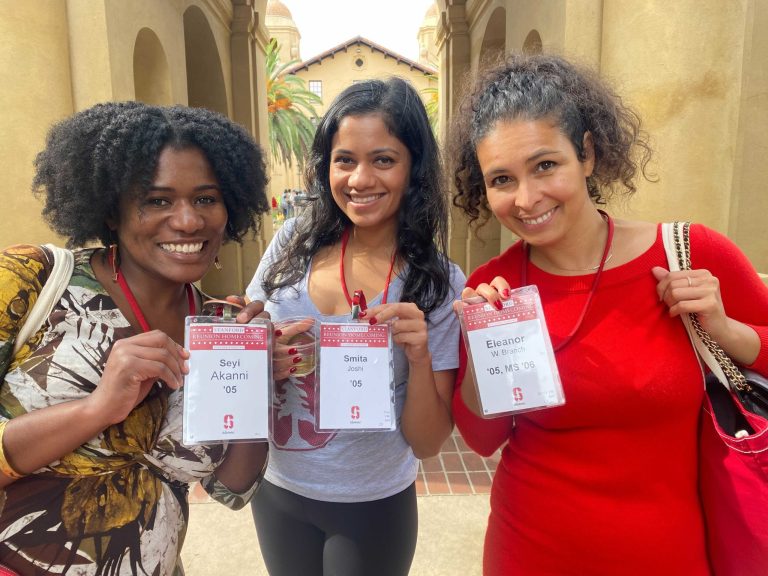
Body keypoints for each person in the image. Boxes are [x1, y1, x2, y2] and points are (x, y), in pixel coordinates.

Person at [448, 53, 768, 575]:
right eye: (501, 179)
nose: (526, 199)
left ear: (588, 154)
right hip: (529, 552)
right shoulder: (495, 287)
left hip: (670, 555)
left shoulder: (688, 253)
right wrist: (483, 349)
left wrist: (727, 331)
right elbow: (483, 442)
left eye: (545, 166)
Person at [0, 101, 270, 575]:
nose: (187, 221)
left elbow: (232, 490)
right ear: (110, 211)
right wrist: (97, 408)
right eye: (157, 200)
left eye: (206, 198)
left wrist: (253, 376)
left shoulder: (215, 327)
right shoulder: (32, 279)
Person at [246, 77, 465, 576]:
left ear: (414, 170)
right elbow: (250, 329)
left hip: (371, 503)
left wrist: (419, 355)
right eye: (345, 160)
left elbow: (429, 444)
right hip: (279, 489)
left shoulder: (438, 283)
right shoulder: (291, 243)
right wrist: (262, 354)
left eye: (383, 159)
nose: (360, 179)